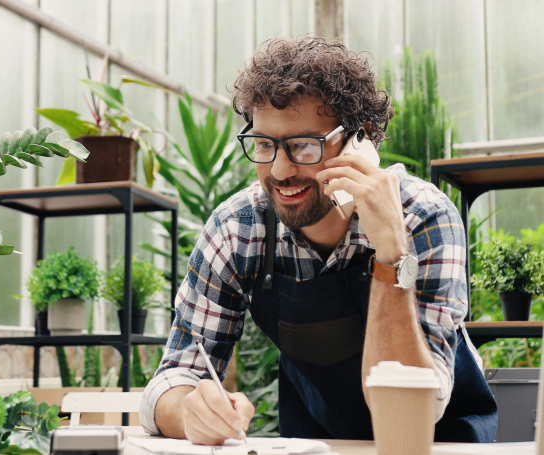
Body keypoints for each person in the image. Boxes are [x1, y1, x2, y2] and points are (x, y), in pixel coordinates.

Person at [139, 36, 497, 444]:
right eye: (263, 145)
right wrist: (190, 411)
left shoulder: (423, 217)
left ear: (359, 141)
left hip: (437, 445)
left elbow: (415, 405)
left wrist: (391, 254)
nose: (279, 170)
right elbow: (171, 379)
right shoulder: (238, 229)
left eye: (304, 146)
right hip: (319, 446)